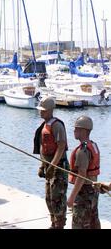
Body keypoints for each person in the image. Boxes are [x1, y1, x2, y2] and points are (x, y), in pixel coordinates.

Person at [33, 96, 69, 229]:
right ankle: (54, 223)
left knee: (57, 198)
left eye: (43, 110)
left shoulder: (57, 125)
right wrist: (42, 165)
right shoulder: (44, 125)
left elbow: (61, 147)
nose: (40, 112)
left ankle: (59, 224)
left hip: (58, 167)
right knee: (49, 198)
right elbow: (43, 148)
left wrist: (52, 166)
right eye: (40, 110)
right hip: (48, 165)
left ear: (50, 110)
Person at [67, 116, 101, 229]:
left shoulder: (83, 150)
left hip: (84, 192)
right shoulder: (93, 145)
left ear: (84, 131)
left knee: (79, 224)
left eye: (76, 129)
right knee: (92, 222)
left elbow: (81, 175)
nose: (74, 131)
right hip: (93, 190)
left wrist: (71, 197)